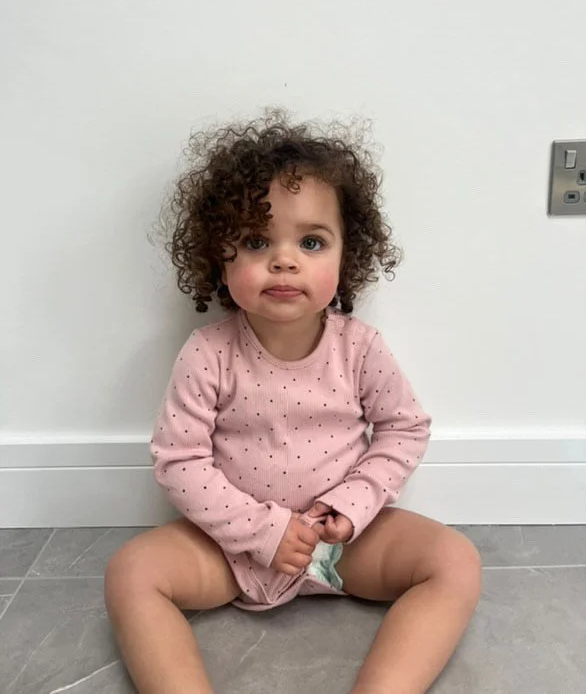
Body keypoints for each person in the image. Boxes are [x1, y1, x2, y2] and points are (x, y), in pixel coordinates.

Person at [104, 109, 481, 693]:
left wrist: (351, 507)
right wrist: (262, 531)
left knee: (455, 561)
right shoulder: (208, 353)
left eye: (310, 241)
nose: (284, 259)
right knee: (131, 572)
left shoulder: (359, 348)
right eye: (257, 241)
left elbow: (403, 430)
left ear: (344, 256)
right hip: (230, 549)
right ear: (219, 257)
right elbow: (179, 462)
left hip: (341, 546)